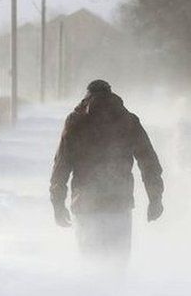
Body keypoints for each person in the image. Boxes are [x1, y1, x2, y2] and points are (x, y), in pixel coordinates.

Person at [50, 80, 164, 265]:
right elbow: (148, 161)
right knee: (117, 265)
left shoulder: (75, 122)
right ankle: (115, 292)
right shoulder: (128, 121)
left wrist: (57, 202)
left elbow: (61, 165)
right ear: (112, 95)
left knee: (90, 264)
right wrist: (155, 197)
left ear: (87, 96)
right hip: (118, 205)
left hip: (85, 205)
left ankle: (95, 292)